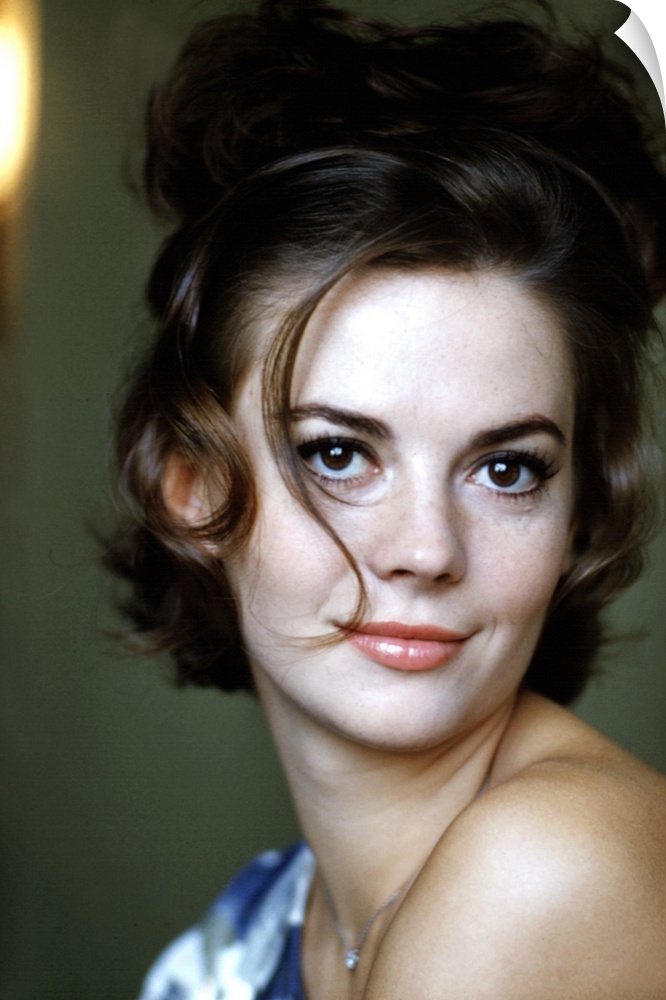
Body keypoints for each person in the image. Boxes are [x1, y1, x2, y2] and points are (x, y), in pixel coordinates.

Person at [110, 1, 666, 997]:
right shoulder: (253, 931)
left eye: (508, 469)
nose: (427, 549)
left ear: (579, 511)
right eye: (340, 454)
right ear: (192, 486)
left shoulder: (550, 866)